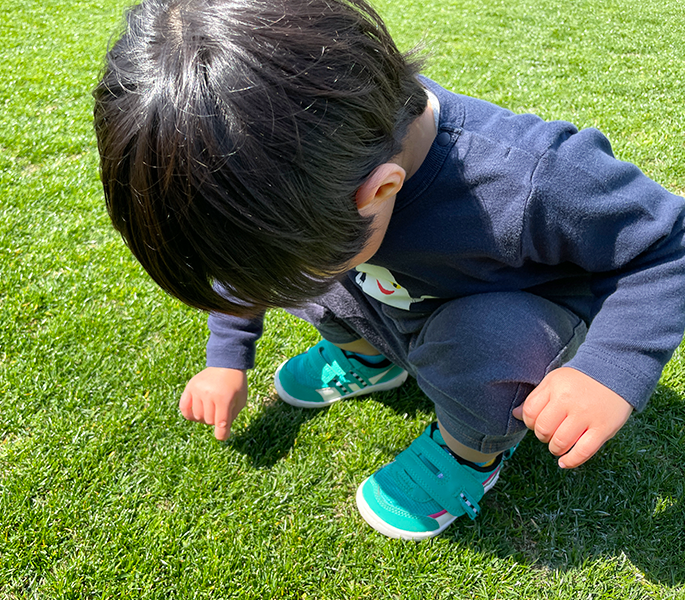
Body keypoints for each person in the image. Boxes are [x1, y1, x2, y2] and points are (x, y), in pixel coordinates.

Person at [93, 0, 685, 540]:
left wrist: (609, 371)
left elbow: (669, 243)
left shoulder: (536, 176)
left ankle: (468, 454)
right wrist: (227, 356)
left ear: (380, 191)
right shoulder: (314, 174)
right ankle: (373, 359)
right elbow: (245, 260)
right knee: (307, 271)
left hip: (502, 320)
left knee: (485, 341)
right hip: (393, 298)